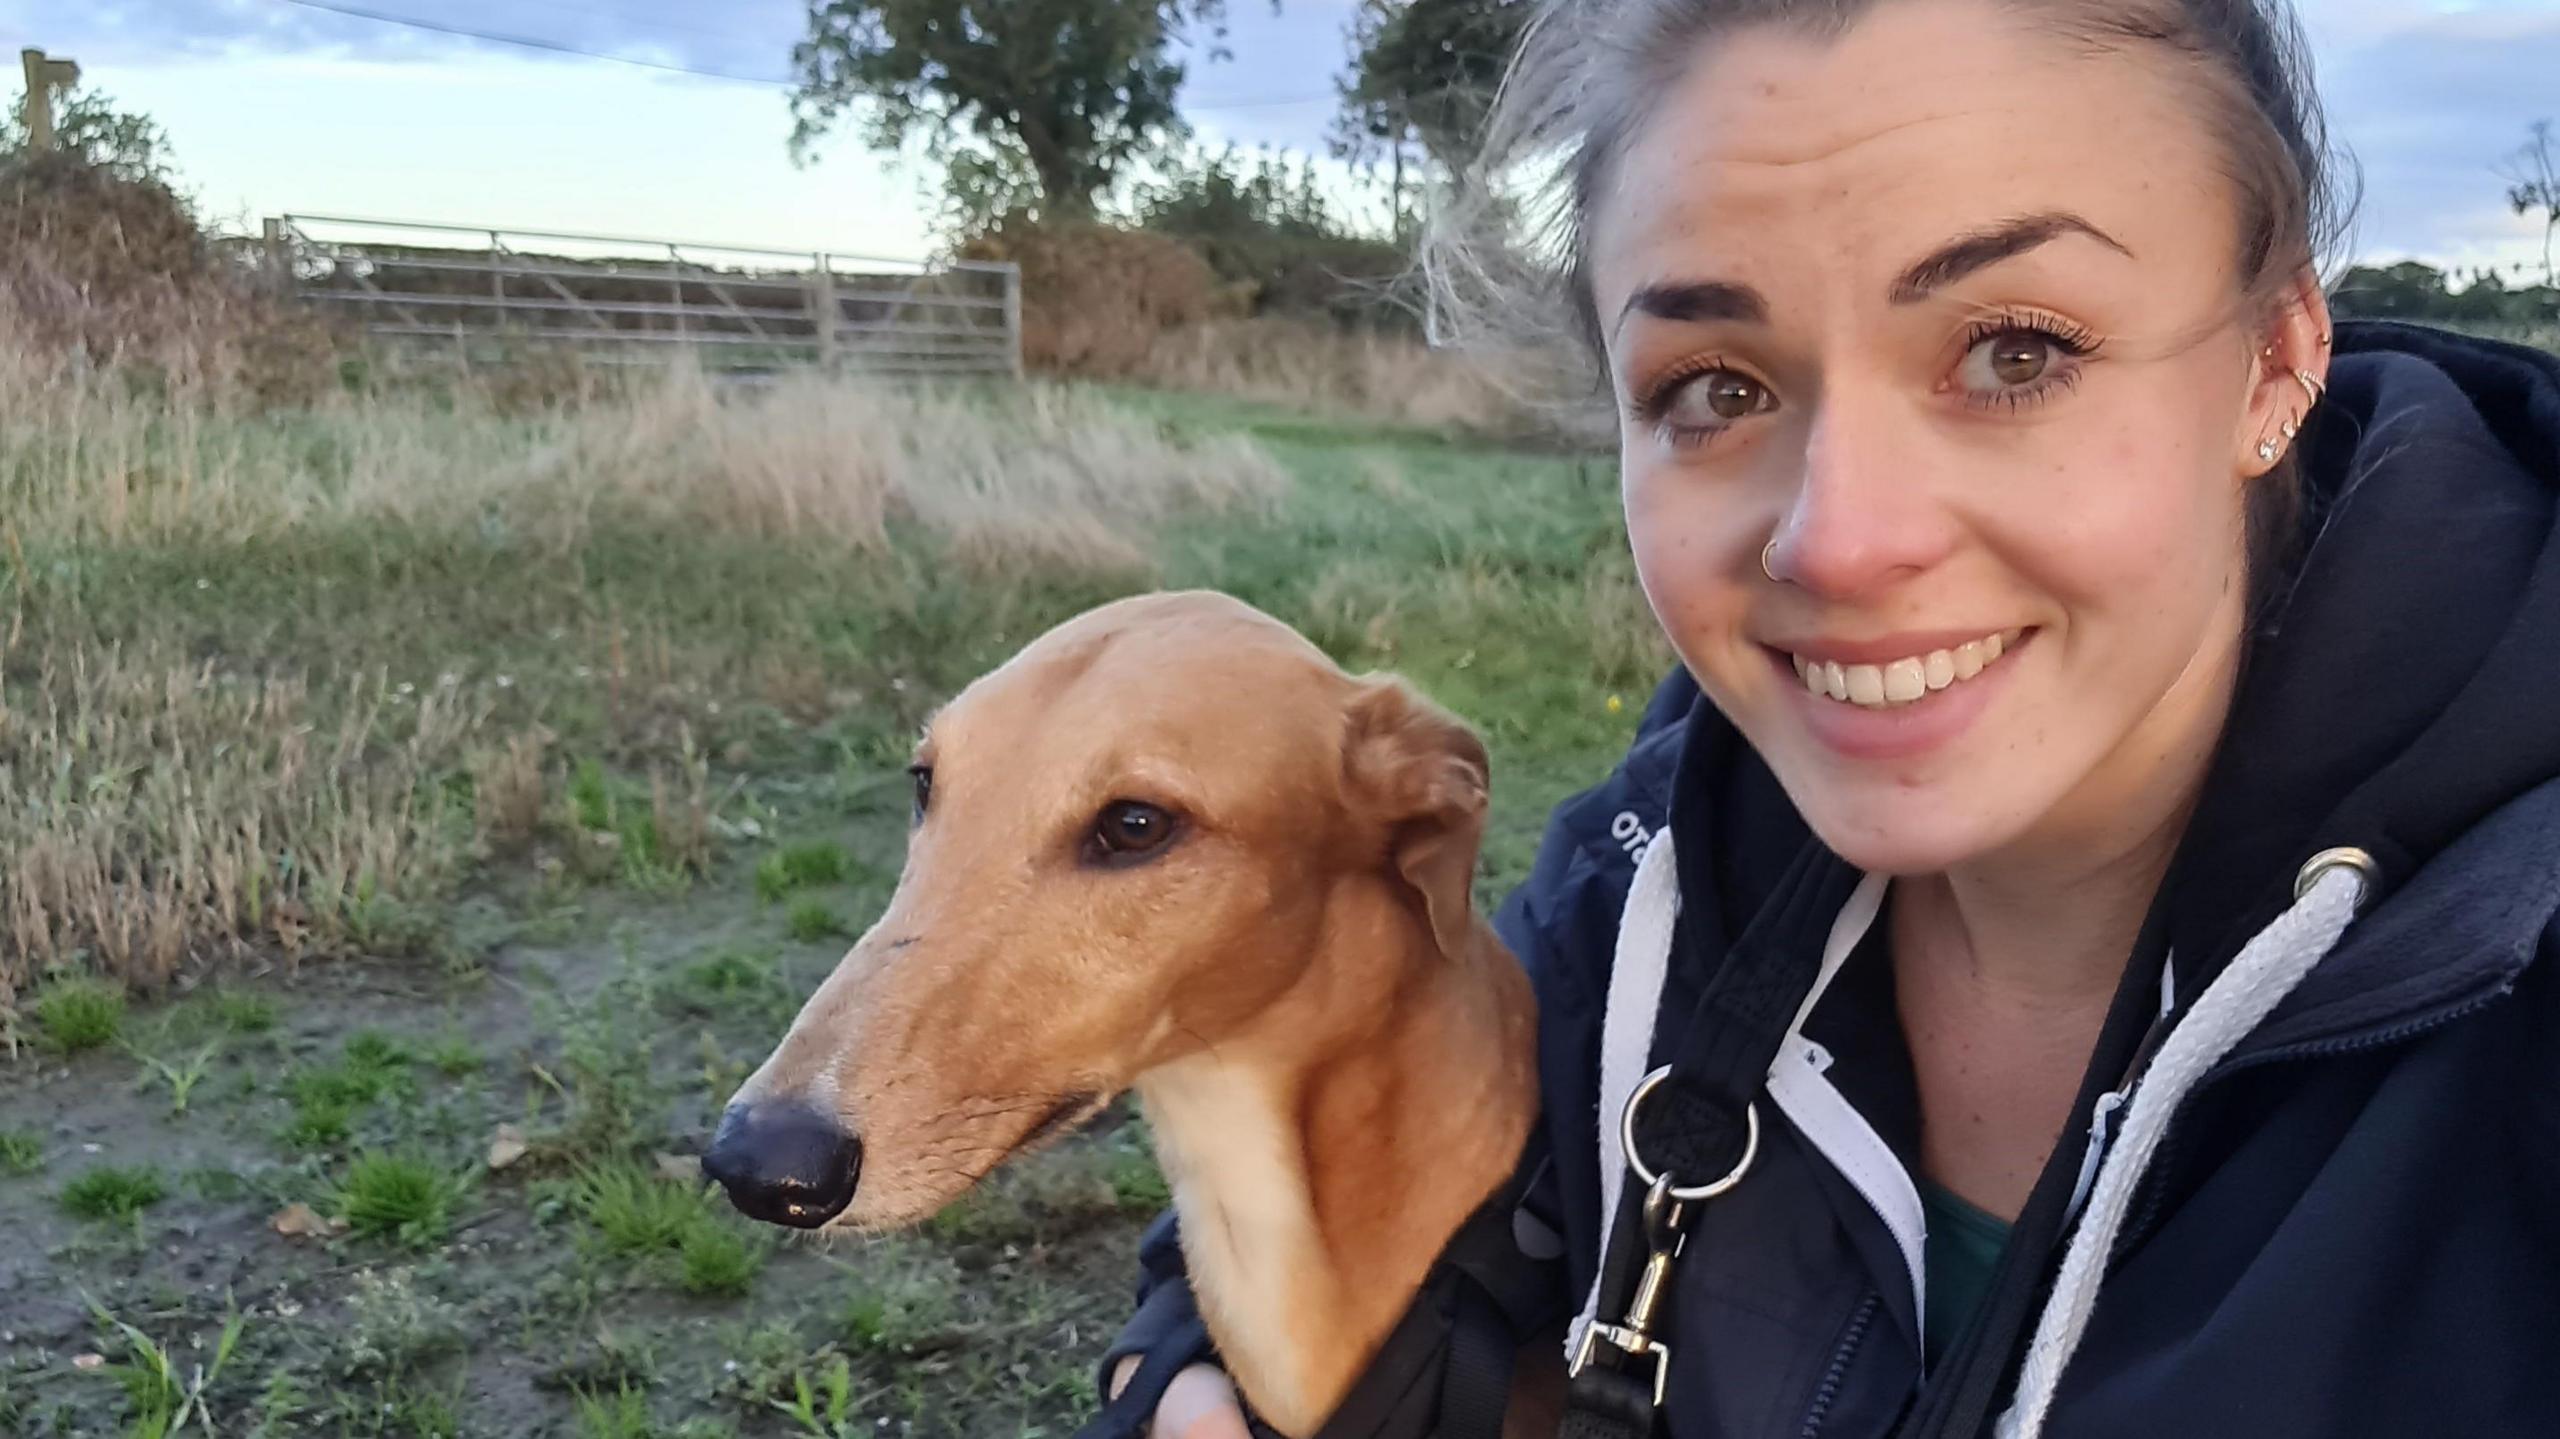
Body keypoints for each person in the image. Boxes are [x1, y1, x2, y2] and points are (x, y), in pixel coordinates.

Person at [1098, 0, 2560, 1434]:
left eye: (2016, 352)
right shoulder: (1654, 893)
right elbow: (1362, 1170)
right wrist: (1174, 1379)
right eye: (1715, 387)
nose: (1840, 541)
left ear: (2278, 360)